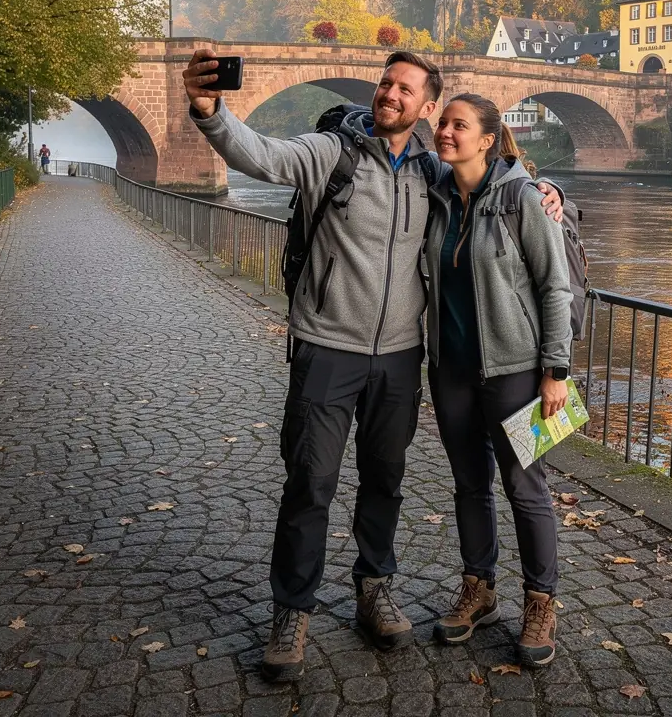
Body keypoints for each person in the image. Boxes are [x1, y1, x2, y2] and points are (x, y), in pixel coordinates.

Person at [181, 49, 562, 681]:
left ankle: (382, 589)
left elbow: (512, 204)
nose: (391, 94)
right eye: (385, 83)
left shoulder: (440, 174)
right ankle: (292, 612)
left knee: (409, 481)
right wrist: (211, 112)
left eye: (406, 89)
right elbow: (264, 157)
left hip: (438, 363)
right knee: (312, 481)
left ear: (428, 107)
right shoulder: (336, 152)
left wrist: (549, 189)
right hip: (339, 347)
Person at [423, 93, 572, 667]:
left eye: (459, 125)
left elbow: (554, 287)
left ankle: (540, 601)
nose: (445, 132)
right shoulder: (437, 195)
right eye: (443, 123)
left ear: (487, 139)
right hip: (452, 371)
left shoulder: (521, 198)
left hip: (516, 371)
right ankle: (478, 589)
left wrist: (555, 371)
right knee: (469, 485)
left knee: (525, 489)